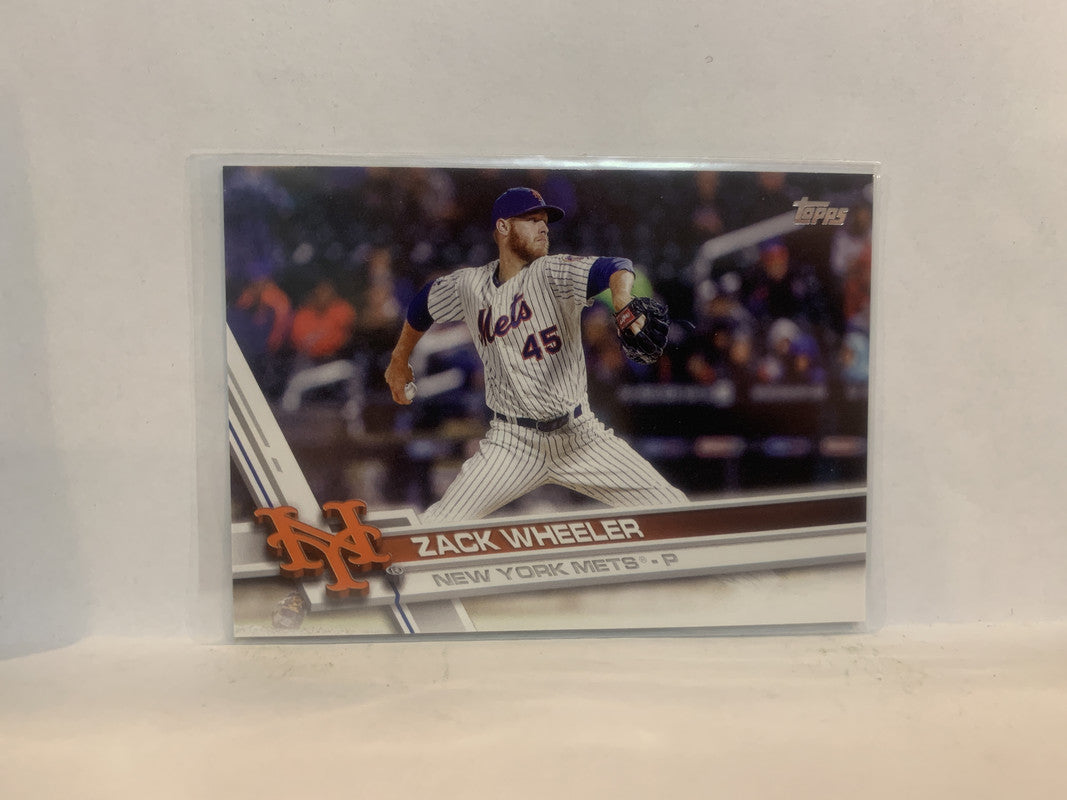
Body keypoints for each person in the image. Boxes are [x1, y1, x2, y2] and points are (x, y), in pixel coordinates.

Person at [384, 187, 687, 523]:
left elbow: (616, 267)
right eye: (531, 220)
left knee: (675, 511)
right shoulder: (471, 285)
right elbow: (424, 302)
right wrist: (399, 359)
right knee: (439, 526)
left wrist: (621, 299)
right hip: (512, 443)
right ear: (503, 227)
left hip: (580, 437)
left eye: (545, 221)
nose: (543, 227)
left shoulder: (553, 271)